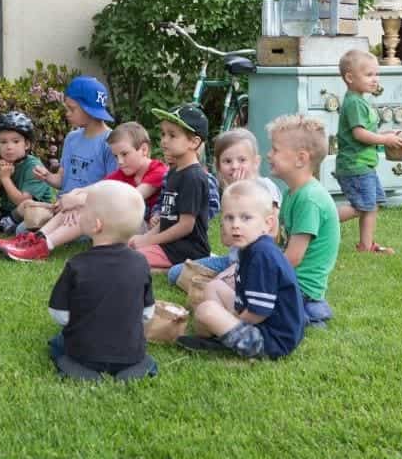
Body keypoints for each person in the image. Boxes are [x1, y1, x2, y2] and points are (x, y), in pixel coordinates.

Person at [0, 121, 166, 261]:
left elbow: (131, 198)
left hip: (140, 228)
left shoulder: (157, 170)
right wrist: (73, 195)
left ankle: (43, 246)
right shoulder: (123, 172)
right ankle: (37, 239)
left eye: (124, 154)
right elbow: (95, 188)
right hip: (122, 225)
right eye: (115, 156)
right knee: (75, 203)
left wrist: (81, 200)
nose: (119, 161)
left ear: (143, 150)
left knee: (87, 207)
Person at [177, 180, 306, 359]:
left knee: (206, 310)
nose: (235, 225)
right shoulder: (251, 247)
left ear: (268, 224)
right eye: (229, 217)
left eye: (246, 218)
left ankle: (222, 338)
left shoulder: (262, 256)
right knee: (214, 287)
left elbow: (259, 311)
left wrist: (232, 319)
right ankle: (214, 335)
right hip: (262, 324)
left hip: (271, 341)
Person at [47, 181, 157, 381]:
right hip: (130, 353)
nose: (80, 212)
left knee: (57, 343)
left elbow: (59, 314)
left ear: (96, 225)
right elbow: (147, 313)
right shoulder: (141, 263)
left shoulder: (76, 264)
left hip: (84, 351)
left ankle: (79, 368)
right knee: (142, 356)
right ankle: (135, 369)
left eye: (84, 209)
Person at [0, 75, 117, 246]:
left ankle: (63, 236)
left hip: (88, 209)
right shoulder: (72, 138)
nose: (66, 113)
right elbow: (62, 180)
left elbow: (112, 190)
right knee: (22, 229)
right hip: (61, 207)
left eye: (71, 108)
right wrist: (47, 176)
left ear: (88, 109)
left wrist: (78, 201)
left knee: (73, 235)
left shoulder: (111, 142)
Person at [166, 128, 282, 286]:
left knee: (222, 285)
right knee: (175, 273)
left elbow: (273, 234)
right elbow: (226, 240)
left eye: (242, 160)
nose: (234, 166)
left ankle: (227, 284)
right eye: (227, 161)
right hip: (232, 260)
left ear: (255, 162)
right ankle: (222, 282)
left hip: (259, 262)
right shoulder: (229, 193)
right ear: (218, 167)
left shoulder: (266, 187)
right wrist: (233, 195)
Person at [265, 114, 340, 326]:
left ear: (301, 158)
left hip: (300, 286)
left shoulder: (309, 199)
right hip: (292, 280)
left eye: (275, 150)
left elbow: (293, 258)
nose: (269, 155)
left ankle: (309, 313)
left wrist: (262, 272)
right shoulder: (293, 193)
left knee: (248, 301)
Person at [335, 49, 402, 254]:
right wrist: (385, 140)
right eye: (369, 75)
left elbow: (366, 132)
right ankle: (318, 222)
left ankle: (366, 246)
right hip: (355, 165)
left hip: (364, 164)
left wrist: (387, 133)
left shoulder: (359, 100)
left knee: (372, 204)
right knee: (362, 206)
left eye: (377, 74)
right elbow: (359, 134)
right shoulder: (354, 103)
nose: (375, 79)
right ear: (349, 77)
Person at [128, 104, 212, 272]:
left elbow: (185, 226)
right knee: (126, 248)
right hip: (168, 245)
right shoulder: (174, 172)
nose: (164, 140)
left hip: (186, 250)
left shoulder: (193, 177)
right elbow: (167, 220)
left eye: (172, 135)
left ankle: (181, 267)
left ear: (194, 142)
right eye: (163, 134)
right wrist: (144, 237)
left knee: (129, 261)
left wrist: (149, 242)